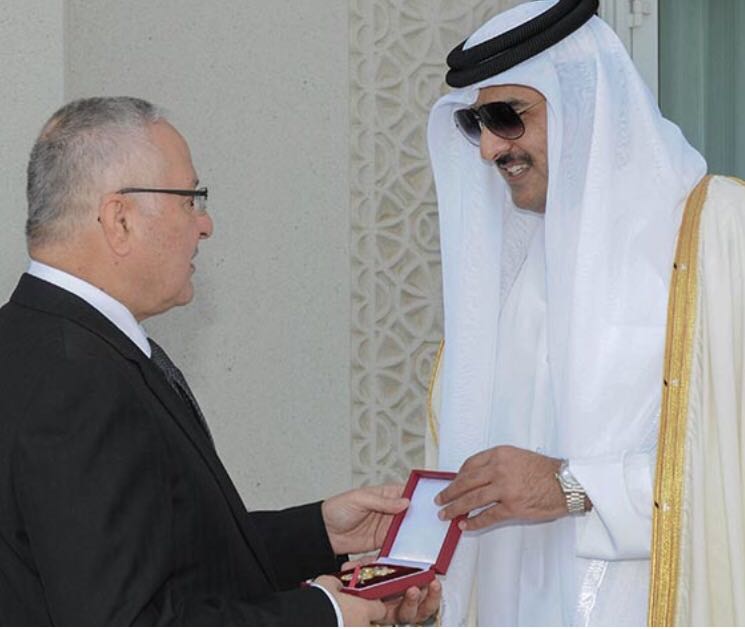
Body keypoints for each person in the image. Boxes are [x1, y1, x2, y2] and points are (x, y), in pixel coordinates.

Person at [0, 96, 440, 626]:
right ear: (119, 219)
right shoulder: (80, 380)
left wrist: (319, 533)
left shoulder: (36, 341)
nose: (205, 224)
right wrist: (323, 615)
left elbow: (157, 555)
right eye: (190, 199)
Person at [425, 0, 745, 625]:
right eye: (474, 123)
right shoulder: (510, 276)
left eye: (507, 117)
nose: (489, 148)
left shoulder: (719, 236)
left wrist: (573, 487)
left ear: (585, 101)